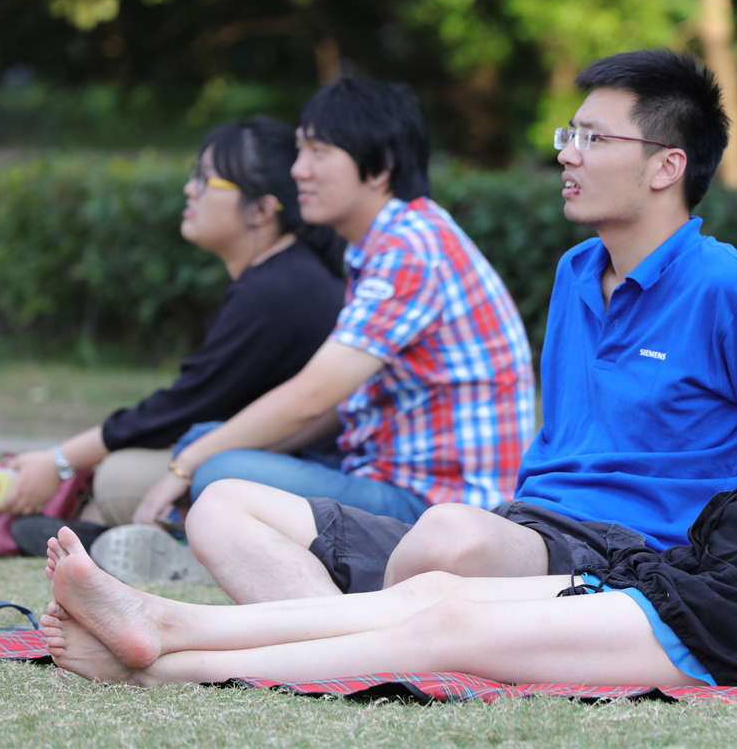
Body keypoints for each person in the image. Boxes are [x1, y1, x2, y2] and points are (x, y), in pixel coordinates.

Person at [40, 127, 737, 699]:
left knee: (446, 622)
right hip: (710, 583)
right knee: (439, 605)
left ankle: (166, 636)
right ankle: (161, 632)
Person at [184, 49, 737, 602]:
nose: (566, 153)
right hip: (523, 530)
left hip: (634, 560)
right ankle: (355, 637)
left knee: (449, 538)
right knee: (223, 507)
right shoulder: (577, 272)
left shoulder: (736, 290)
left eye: (593, 139)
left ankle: (349, 631)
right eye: (571, 134)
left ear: (666, 166)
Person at [129, 77, 535, 533]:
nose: (299, 170)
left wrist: (188, 467)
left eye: (318, 152)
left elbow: (312, 396)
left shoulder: (408, 250)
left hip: (441, 512)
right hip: (389, 480)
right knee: (210, 446)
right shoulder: (389, 241)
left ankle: (194, 543)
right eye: (300, 151)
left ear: (379, 168)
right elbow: (330, 407)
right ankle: (198, 536)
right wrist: (202, 453)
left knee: (216, 470)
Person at [0, 116, 347, 555]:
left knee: (120, 478)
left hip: (307, 471)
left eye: (208, 180)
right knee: (121, 472)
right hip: (270, 457)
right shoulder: (277, 277)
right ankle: (107, 538)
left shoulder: (280, 289)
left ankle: (163, 544)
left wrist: (61, 460)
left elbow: (185, 405)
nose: (190, 190)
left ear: (261, 210)